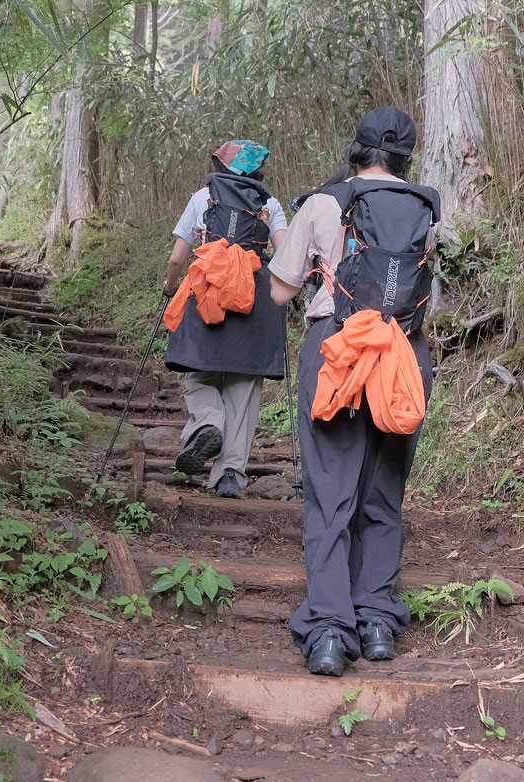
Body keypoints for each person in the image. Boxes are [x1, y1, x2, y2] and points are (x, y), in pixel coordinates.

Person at [268, 107, 440, 676]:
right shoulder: (425, 209)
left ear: (358, 147)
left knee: (330, 493)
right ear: (405, 155)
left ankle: (328, 632)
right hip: (401, 352)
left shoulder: (324, 202)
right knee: (383, 492)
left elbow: (277, 291)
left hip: (338, 349)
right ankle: (378, 622)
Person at [162, 140, 287, 498]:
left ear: (220, 165)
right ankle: (230, 474)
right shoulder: (270, 204)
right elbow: (286, 252)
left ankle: (208, 422)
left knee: (199, 375)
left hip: (207, 293)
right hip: (254, 299)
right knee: (243, 389)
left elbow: (176, 258)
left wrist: (171, 288)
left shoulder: (203, 198)